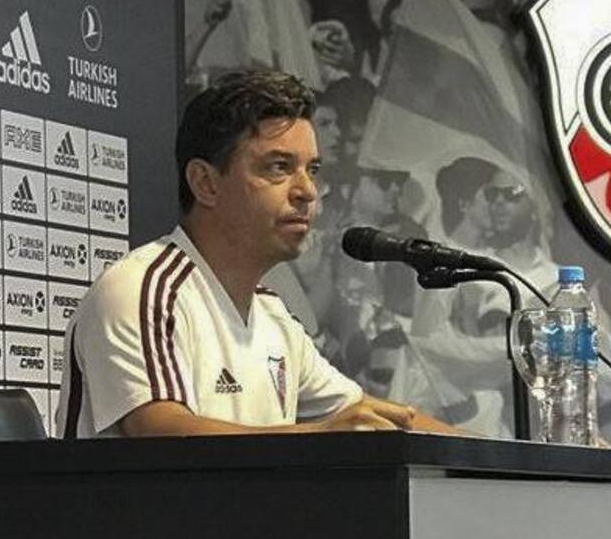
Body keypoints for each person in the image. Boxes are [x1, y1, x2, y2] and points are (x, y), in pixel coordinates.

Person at [57, 71, 456, 438]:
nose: (307, 191)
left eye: (312, 170)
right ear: (205, 183)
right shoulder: (143, 288)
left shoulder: (272, 315)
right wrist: (318, 438)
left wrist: (499, 459)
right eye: (279, 167)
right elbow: (162, 431)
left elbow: (370, 416)